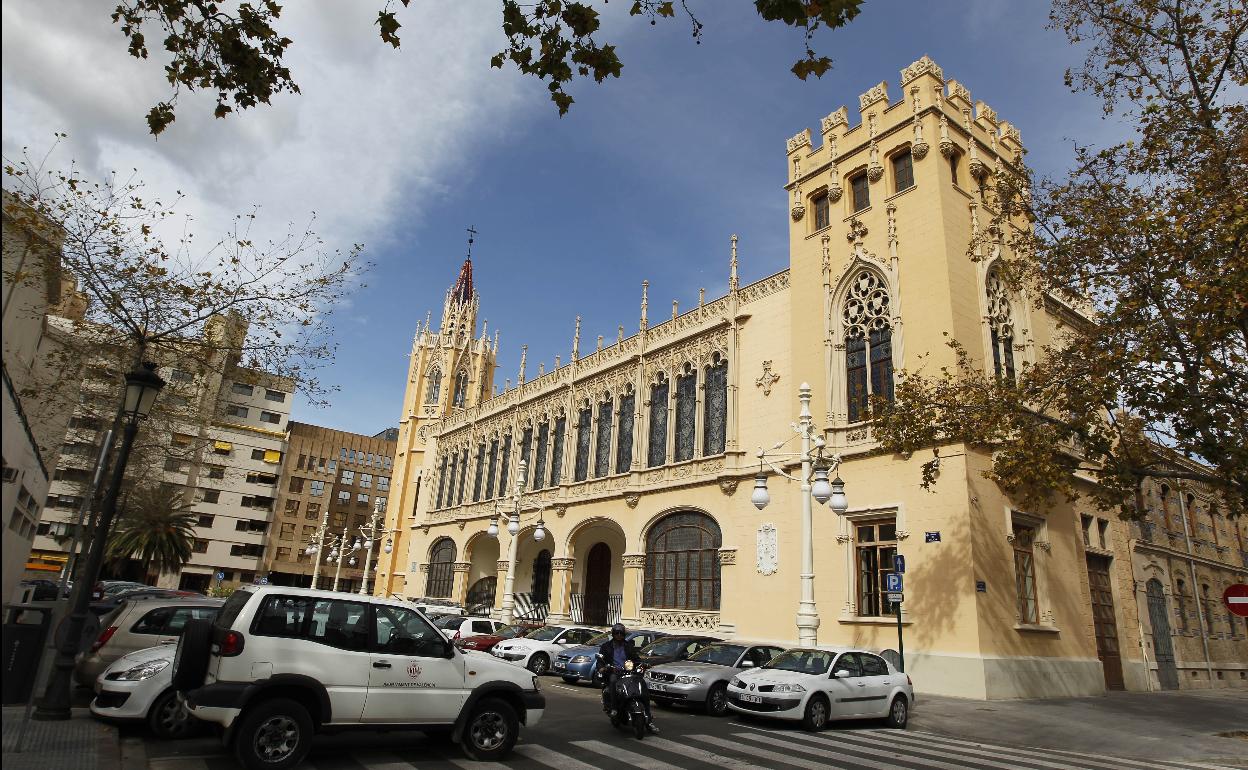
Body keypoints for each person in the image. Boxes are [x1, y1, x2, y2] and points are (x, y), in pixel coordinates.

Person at [598, 623, 658, 733]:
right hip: (614, 672)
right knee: (612, 680)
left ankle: (649, 720)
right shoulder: (606, 646)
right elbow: (600, 660)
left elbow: (636, 658)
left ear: (624, 634)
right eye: (617, 633)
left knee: (642, 685)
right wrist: (602, 668)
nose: (619, 635)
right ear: (613, 634)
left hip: (628, 671)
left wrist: (643, 664)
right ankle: (615, 709)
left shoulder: (628, 645)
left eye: (621, 633)